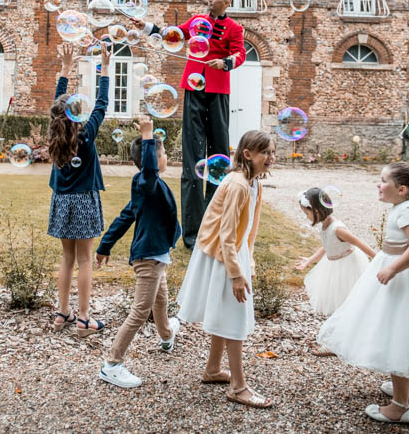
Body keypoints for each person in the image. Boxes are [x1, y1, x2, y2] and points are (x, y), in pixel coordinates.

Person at [316, 161, 409, 425]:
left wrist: (393, 269)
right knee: (408, 331)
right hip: (401, 272)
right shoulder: (405, 207)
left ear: (401, 189)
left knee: (398, 334)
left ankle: (399, 407)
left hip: (403, 277)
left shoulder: (408, 210)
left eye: (383, 180)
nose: (378, 184)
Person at [130, 0, 246, 249]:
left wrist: (225, 62)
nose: (210, 0)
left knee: (218, 159)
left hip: (218, 91)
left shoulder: (235, 28)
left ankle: (214, 227)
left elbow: (240, 54)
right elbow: (175, 34)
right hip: (194, 88)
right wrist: (147, 26)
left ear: (226, 3)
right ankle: (192, 235)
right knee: (192, 160)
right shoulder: (196, 21)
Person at [175, 129, 276, 409]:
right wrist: (235, 273)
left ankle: (212, 369)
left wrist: (249, 261)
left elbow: (249, 231)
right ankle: (238, 387)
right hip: (221, 255)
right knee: (234, 316)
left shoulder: (254, 183)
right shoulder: (238, 185)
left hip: (234, 252)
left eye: (273, 152)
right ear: (247, 154)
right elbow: (225, 233)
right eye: (265, 152)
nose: (271, 158)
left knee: (226, 311)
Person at [94, 114, 182, 389]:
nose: (166, 155)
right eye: (163, 152)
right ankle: (112, 364)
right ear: (153, 159)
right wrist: (147, 136)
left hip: (158, 255)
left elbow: (125, 216)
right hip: (149, 258)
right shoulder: (146, 182)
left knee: (161, 302)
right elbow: (149, 172)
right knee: (141, 310)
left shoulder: (146, 189)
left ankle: (167, 336)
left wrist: (105, 245)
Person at [47, 43, 112, 336]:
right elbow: (102, 104)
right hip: (84, 200)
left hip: (61, 200)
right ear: (77, 114)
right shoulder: (87, 133)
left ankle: (62, 313)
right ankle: (84, 318)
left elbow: (56, 103)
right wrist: (106, 68)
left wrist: (65, 69)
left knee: (67, 258)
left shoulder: (57, 133)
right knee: (85, 260)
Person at [294, 187, 375, 355]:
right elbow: (326, 246)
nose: (306, 217)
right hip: (333, 265)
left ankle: (340, 343)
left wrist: (379, 260)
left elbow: (360, 243)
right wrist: (309, 260)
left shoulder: (338, 229)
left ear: (316, 210)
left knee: (347, 304)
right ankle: (340, 340)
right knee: (339, 305)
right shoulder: (324, 225)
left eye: (307, 213)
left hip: (347, 267)